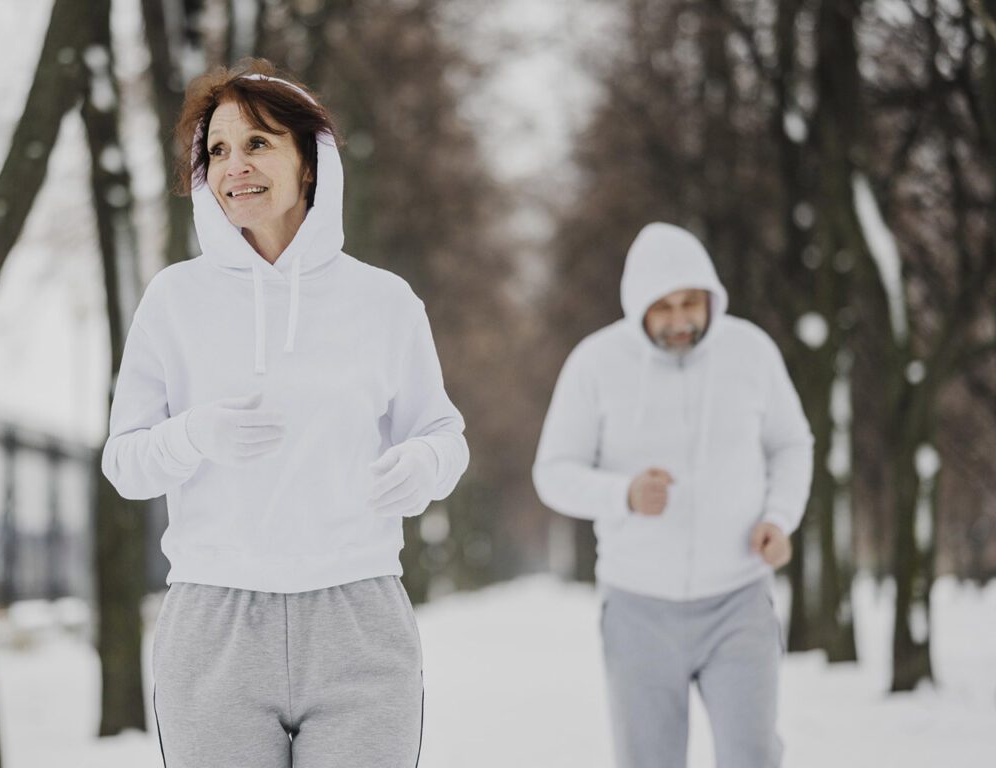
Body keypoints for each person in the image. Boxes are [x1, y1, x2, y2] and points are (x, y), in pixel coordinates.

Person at [101, 60, 468, 768]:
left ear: (312, 163)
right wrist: (192, 436)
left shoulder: (384, 302)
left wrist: (425, 463)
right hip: (216, 624)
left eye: (258, 143)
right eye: (217, 150)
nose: (233, 166)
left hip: (358, 617)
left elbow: (443, 433)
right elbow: (125, 463)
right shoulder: (174, 301)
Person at [532, 223, 813, 768]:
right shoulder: (596, 363)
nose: (680, 320)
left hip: (739, 599)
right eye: (663, 307)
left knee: (753, 755)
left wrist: (779, 518)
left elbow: (791, 443)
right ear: (638, 306)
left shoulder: (751, 352)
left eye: (691, 303)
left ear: (711, 297)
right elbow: (553, 472)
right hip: (638, 607)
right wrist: (625, 494)